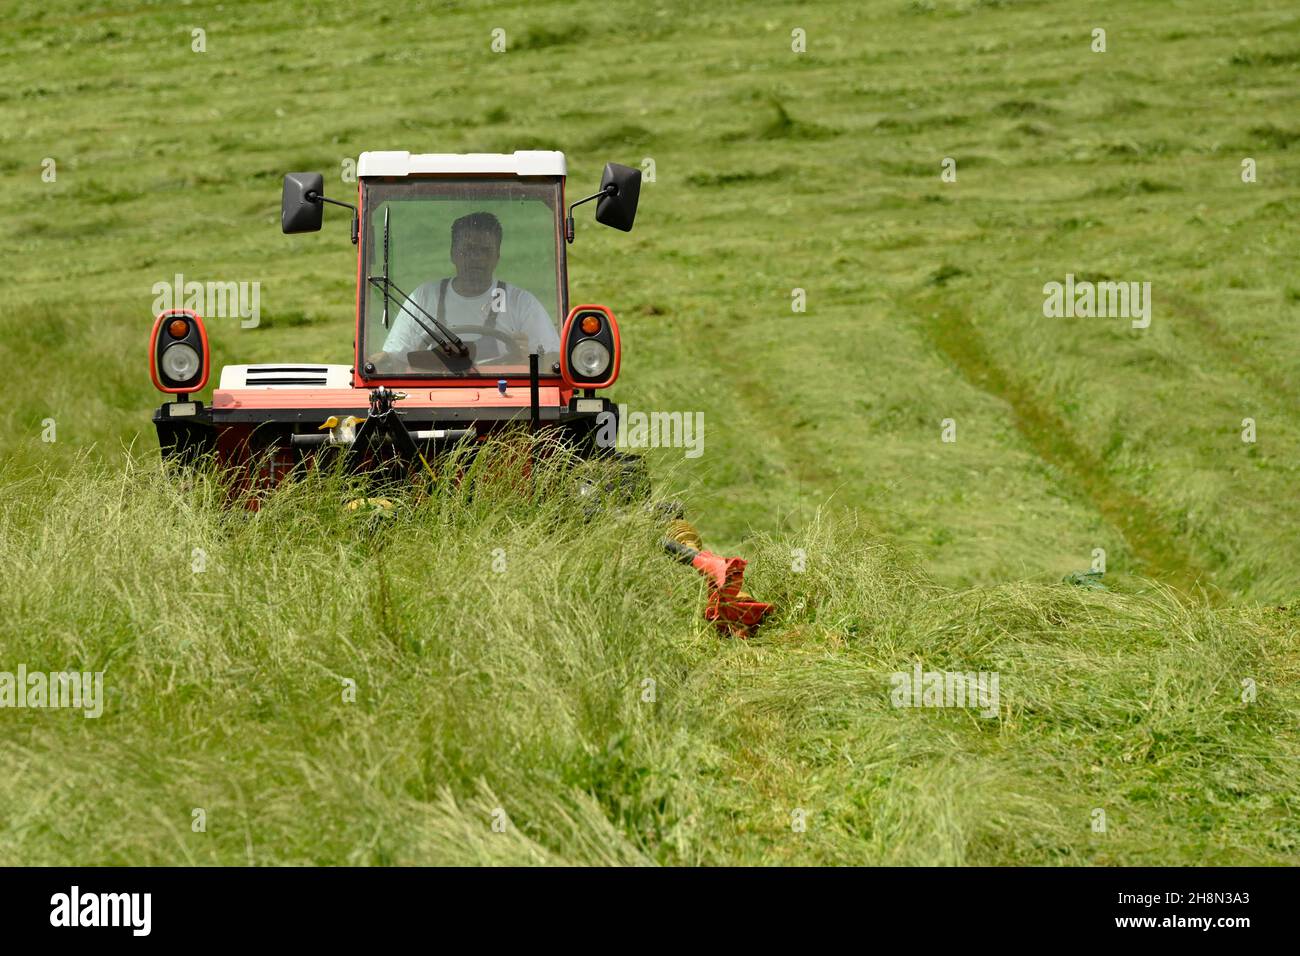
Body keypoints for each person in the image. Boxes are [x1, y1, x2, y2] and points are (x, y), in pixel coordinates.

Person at [376, 211, 558, 368]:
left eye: (485, 251)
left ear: (497, 257)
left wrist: (529, 360)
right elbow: (393, 358)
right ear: (453, 253)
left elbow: (554, 361)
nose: (476, 258)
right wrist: (372, 366)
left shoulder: (520, 303)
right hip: (433, 398)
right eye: (468, 250)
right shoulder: (424, 297)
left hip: (502, 401)